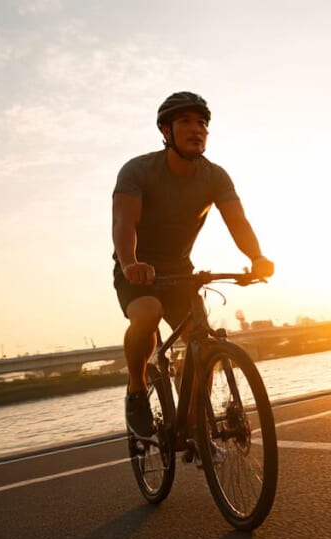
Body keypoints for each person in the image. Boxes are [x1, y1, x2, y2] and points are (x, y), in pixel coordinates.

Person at [111, 91, 274, 437]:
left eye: (202, 123)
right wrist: (129, 263)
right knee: (148, 313)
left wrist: (256, 257)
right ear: (165, 130)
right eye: (185, 121)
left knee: (202, 340)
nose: (196, 129)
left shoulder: (214, 176)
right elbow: (123, 224)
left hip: (180, 270)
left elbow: (238, 221)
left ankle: (191, 427)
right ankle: (137, 389)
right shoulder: (138, 171)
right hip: (136, 268)